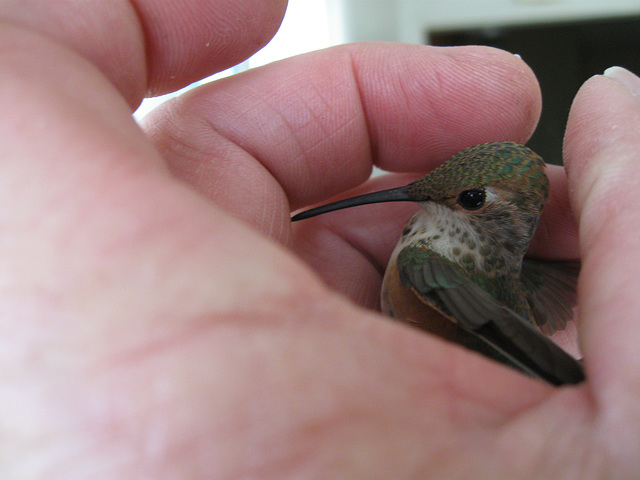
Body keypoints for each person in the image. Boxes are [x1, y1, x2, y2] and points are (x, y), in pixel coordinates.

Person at [2, 1, 639, 477]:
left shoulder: (428, 267)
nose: (417, 195)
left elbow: (504, 330)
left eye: (465, 199)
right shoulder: (457, 258)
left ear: (493, 221)